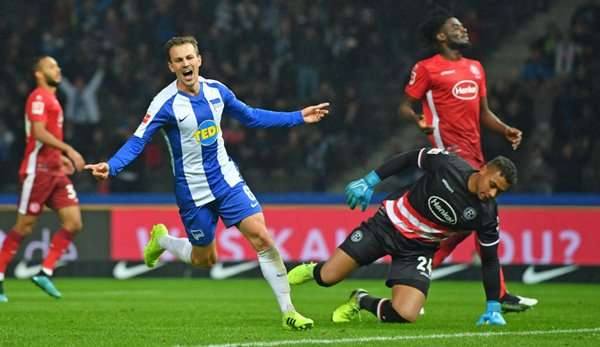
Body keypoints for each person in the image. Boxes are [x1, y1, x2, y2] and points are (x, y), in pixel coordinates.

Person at [85, 36, 329, 330]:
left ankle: (288, 311)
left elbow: (251, 117)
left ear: (199, 60)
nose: (186, 64)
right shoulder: (164, 103)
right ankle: (162, 240)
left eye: (190, 57)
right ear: (171, 66)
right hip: (193, 191)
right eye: (179, 60)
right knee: (206, 260)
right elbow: (138, 141)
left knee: (263, 239)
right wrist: (111, 166)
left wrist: (297, 117)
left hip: (227, 180)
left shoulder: (217, 91)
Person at [398, 14, 536, 312]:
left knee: (460, 229)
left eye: (462, 25)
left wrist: (504, 129)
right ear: (441, 36)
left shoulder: (476, 68)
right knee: (481, 221)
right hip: (451, 156)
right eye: (455, 26)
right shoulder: (427, 69)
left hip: (477, 157)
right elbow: (405, 106)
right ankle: (497, 296)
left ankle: (412, 280)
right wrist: (419, 120)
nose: (462, 29)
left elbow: (483, 112)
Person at [289, 147, 514, 325]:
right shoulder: (447, 165)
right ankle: (314, 270)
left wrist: (492, 305)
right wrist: (370, 181)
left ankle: (360, 300)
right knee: (328, 277)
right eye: (493, 184)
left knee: (406, 314)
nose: (492, 193)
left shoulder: (486, 214)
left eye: (499, 191)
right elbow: (409, 158)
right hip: (386, 225)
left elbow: (491, 259)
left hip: (418, 249)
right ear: (483, 169)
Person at [0, 56, 86, 303]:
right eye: (51, 67)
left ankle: (44, 272)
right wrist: (68, 150)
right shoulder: (38, 97)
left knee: (74, 223)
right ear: (38, 73)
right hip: (36, 171)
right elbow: (38, 133)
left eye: (58, 66)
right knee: (24, 227)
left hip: (55, 171)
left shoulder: (53, 99)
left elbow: (47, 139)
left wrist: (60, 159)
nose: (57, 70)